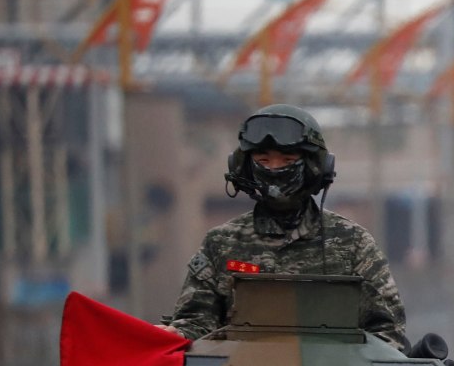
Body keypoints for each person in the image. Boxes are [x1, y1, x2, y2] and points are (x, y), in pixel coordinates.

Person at [169, 104, 408, 349]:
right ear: (244, 167)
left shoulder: (352, 243)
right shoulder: (220, 244)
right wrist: (172, 335)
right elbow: (194, 326)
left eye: (287, 160)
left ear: (317, 168)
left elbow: (388, 334)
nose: (274, 169)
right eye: (263, 160)